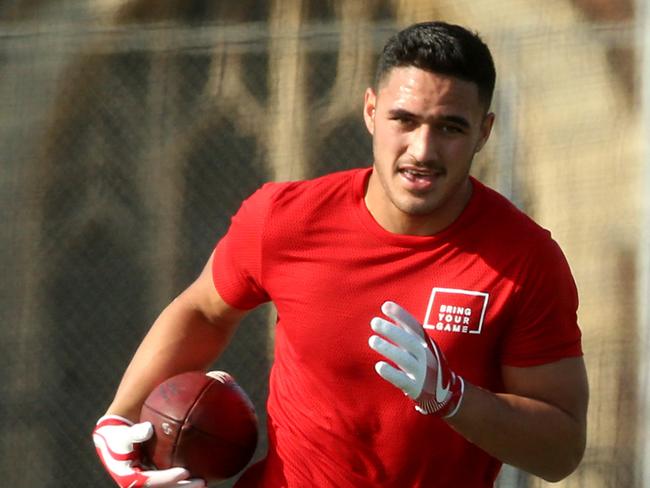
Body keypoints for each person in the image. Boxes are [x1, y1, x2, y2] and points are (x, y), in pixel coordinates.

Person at [92, 21, 589, 488]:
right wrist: (120, 414)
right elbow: (204, 309)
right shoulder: (284, 217)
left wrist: (452, 397)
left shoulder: (525, 260)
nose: (422, 149)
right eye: (404, 120)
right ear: (371, 110)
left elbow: (560, 452)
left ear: (483, 131)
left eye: (451, 128)